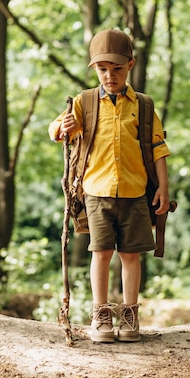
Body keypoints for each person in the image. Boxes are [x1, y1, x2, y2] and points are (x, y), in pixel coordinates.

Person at [48, 28, 170, 343]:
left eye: (116, 69)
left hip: (135, 192)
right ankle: (100, 315)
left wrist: (163, 189)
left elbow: (158, 148)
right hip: (97, 192)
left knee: (131, 255)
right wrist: (64, 126)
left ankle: (130, 315)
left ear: (130, 65)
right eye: (102, 69)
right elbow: (56, 130)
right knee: (100, 252)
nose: (109, 75)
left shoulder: (142, 106)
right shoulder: (84, 102)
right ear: (95, 69)